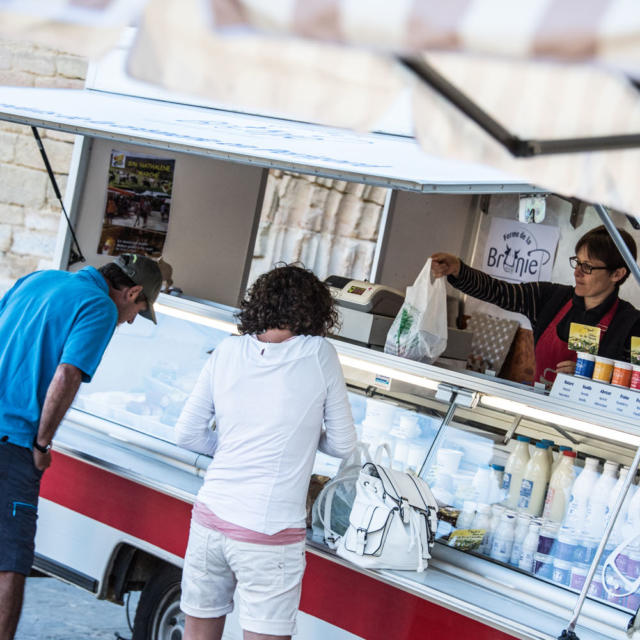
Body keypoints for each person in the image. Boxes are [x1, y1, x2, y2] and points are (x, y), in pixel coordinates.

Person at [175, 264, 356, 640]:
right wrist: (304, 435)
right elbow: (343, 445)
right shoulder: (319, 353)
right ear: (316, 311)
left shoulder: (227, 349)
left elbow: (187, 434)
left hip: (209, 521)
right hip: (268, 533)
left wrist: (233, 448)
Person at [0, 253, 162, 640]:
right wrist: (42, 442)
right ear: (132, 292)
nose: (133, 319)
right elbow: (68, 373)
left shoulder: (38, 280)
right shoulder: (100, 307)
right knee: (10, 560)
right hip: (12, 441)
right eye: (139, 309)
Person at [431, 225, 640, 383]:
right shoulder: (550, 298)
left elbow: (637, 384)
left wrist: (592, 374)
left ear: (617, 273)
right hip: (539, 412)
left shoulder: (632, 324)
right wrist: (459, 270)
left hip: (592, 427)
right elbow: (499, 292)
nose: (576, 272)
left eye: (587, 267)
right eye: (577, 262)